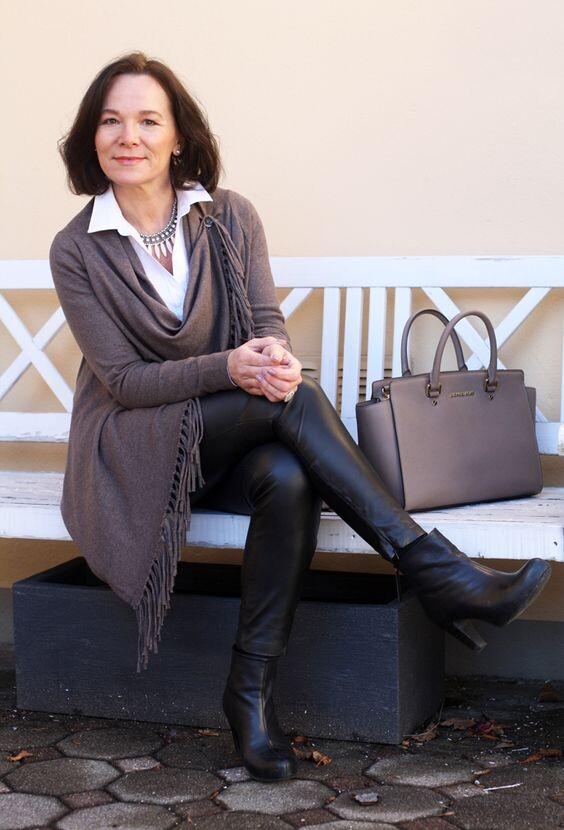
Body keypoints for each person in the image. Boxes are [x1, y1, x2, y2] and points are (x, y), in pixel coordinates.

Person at [49, 51, 551, 784]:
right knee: (299, 402)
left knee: (287, 474)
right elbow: (124, 382)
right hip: (137, 443)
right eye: (111, 121)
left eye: (148, 120)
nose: (129, 137)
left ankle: (250, 696)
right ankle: (435, 572)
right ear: (91, 136)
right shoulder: (77, 249)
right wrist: (235, 368)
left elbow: (264, 322)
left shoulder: (229, 216)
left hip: (232, 433)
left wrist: (274, 359)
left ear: (178, 135)